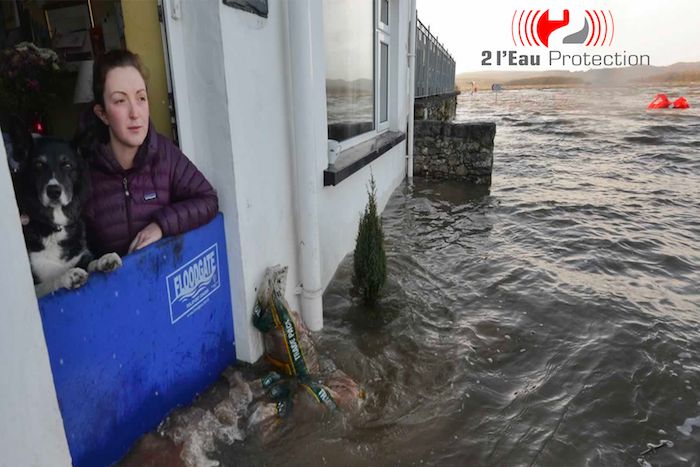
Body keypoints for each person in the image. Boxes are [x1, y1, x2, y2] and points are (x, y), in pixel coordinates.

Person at [79, 50, 218, 256]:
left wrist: (161, 225)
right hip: (114, 287)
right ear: (103, 114)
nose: (135, 113)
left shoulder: (164, 154)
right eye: (120, 101)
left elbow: (207, 200)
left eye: (141, 98)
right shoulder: (84, 170)